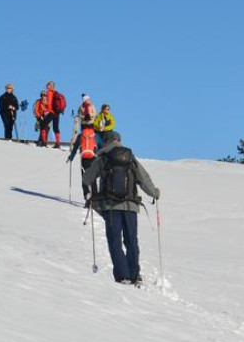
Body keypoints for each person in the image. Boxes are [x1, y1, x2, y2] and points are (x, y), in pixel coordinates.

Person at [82, 131, 160, 286]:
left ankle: (123, 275)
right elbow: (143, 178)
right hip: (131, 206)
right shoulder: (130, 157)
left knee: (115, 241)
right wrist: (154, 193)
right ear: (119, 140)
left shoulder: (103, 157)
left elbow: (87, 178)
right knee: (131, 240)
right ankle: (134, 274)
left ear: (106, 141)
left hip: (111, 206)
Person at [67, 118, 99, 201]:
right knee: (93, 179)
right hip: (93, 158)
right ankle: (95, 197)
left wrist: (71, 157)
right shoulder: (95, 135)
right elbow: (101, 145)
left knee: (85, 178)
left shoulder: (81, 136)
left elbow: (75, 148)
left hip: (84, 159)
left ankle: (87, 194)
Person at [45, 80, 64, 149]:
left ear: (51, 86)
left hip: (52, 111)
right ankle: (58, 143)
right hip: (57, 112)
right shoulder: (56, 92)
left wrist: (48, 110)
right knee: (56, 127)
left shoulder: (49, 92)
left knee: (43, 124)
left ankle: (43, 142)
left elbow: (49, 102)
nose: (47, 86)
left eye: (48, 85)